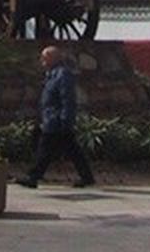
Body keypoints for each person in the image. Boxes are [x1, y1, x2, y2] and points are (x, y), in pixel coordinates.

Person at [16, 46, 94, 189]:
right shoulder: (51, 74)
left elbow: (67, 99)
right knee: (72, 150)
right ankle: (87, 176)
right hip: (50, 118)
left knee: (45, 149)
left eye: (44, 58)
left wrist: (65, 119)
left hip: (56, 120)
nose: (42, 61)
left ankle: (33, 177)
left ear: (53, 59)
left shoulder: (63, 75)